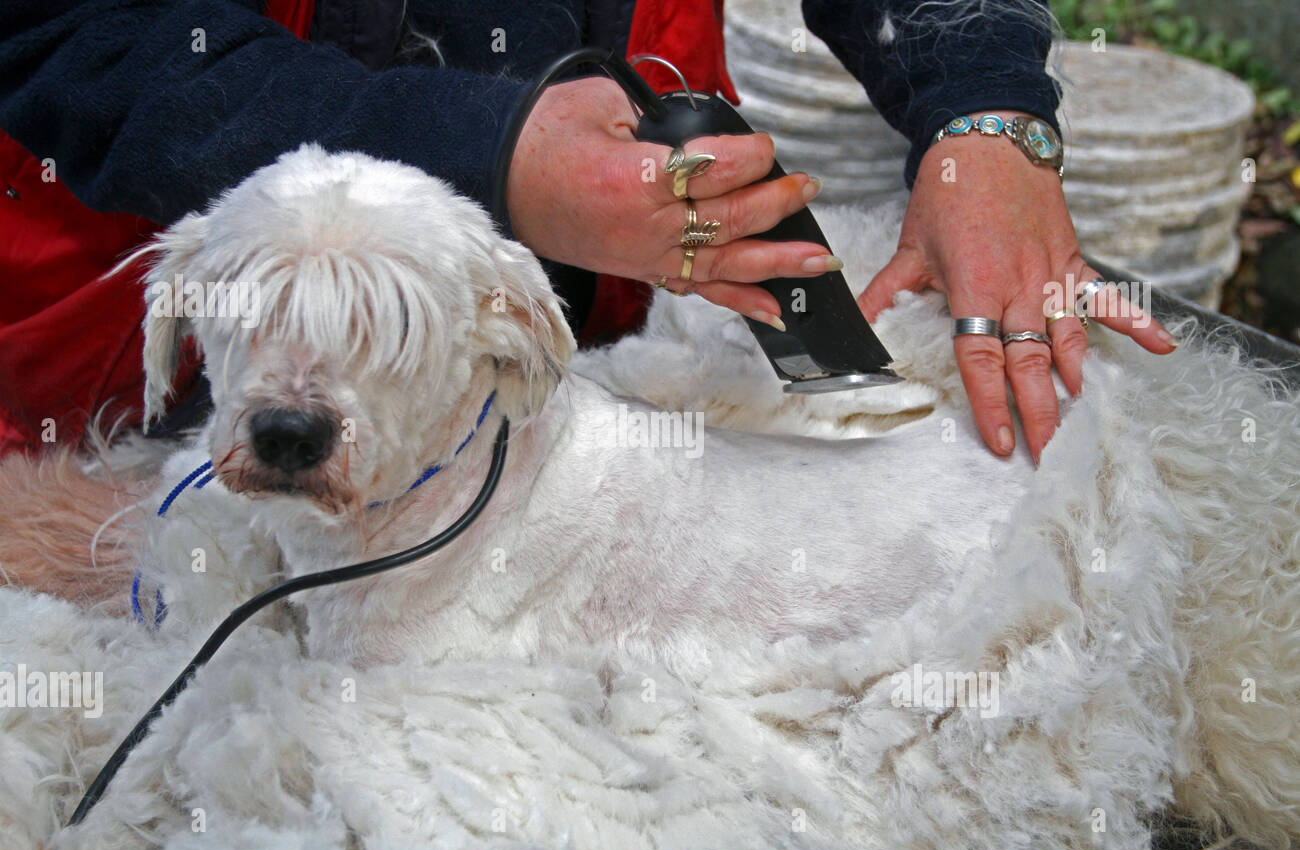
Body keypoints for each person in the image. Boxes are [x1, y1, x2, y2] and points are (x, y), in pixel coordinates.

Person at [0, 0, 1175, 461]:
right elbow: (68, 31)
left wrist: (985, 109)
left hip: (593, 280)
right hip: (120, 335)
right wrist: (485, 151)